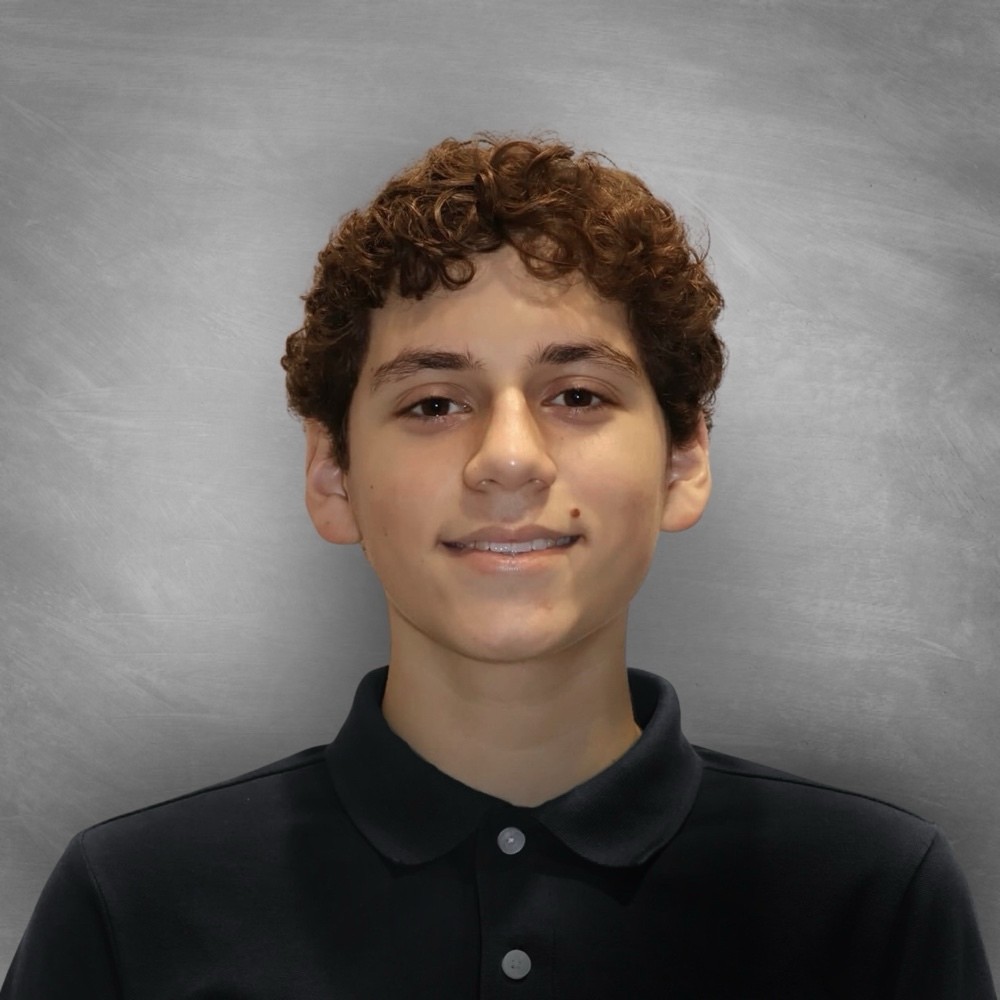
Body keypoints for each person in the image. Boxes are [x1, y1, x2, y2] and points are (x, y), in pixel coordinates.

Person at [2, 133, 995, 999]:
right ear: (331, 475)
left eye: (576, 394)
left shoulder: (872, 900)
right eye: (433, 402)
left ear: (683, 461)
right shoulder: (132, 903)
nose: (508, 458)